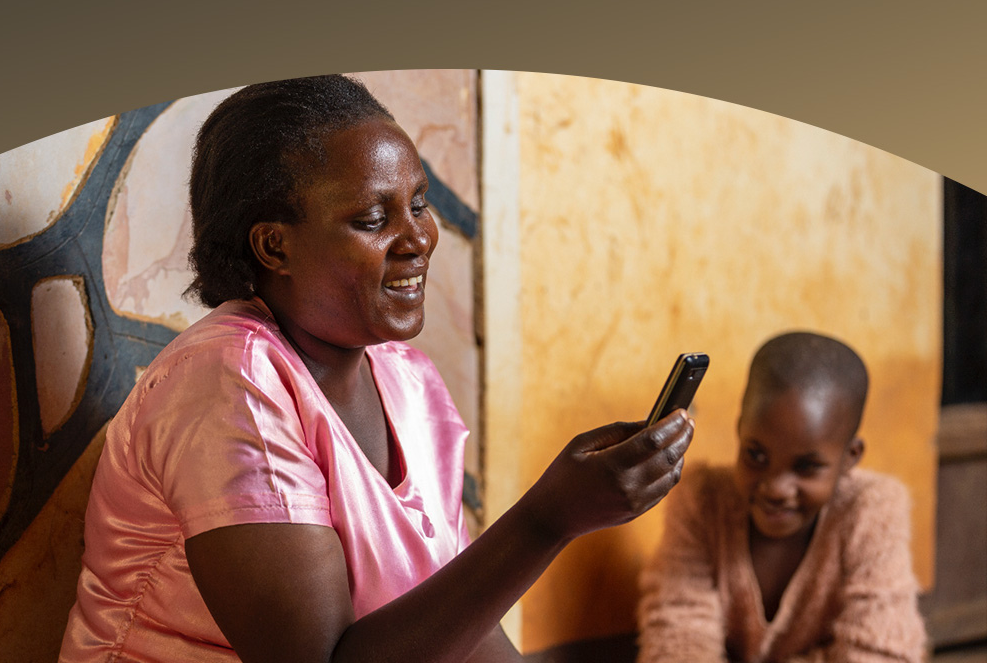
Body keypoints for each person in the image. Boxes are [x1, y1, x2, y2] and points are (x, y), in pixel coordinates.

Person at [60, 74, 694, 663]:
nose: (417, 238)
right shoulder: (229, 382)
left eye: (418, 204)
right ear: (274, 245)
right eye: (372, 219)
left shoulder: (408, 383)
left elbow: (459, 625)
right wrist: (549, 520)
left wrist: (566, 512)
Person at [636, 331, 927, 663]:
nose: (776, 488)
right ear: (741, 429)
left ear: (850, 457)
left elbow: (881, 654)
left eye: (806, 466)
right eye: (756, 456)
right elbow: (678, 638)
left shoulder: (872, 508)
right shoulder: (701, 501)